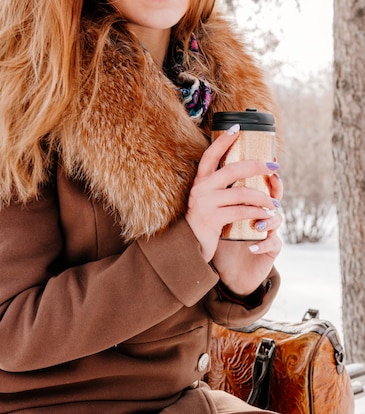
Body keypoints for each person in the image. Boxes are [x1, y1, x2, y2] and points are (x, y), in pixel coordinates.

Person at [0, 0, 284, 412]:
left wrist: (235, 280)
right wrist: (188, 247)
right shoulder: (27, 86)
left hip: (181, 399)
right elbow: (11, 330)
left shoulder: (208, 82)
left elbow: (186, 309)